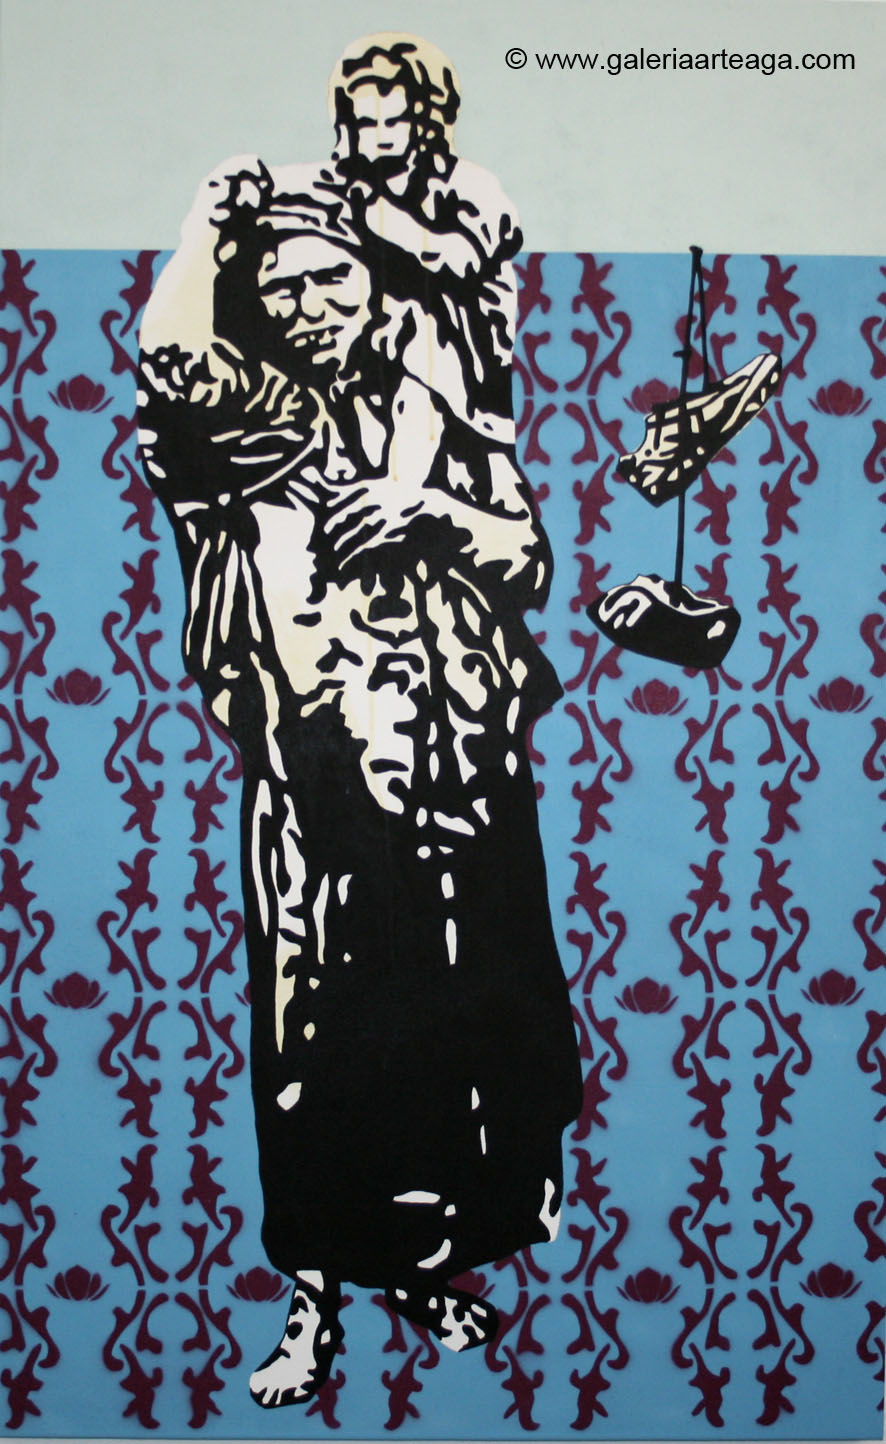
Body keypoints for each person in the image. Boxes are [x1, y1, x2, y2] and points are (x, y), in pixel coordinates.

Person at [137, 44, 581, 1412]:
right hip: (325, 789)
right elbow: (171, 354)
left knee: (461, 1019)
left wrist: (432, 514)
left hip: (461, 766)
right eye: (281, 289)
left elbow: (527, 559)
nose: (311, 303)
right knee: (322, 1036)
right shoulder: (257, 425)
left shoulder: (428, 410)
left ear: (371, 284)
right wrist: (209, 224)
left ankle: (433, 1264)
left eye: (331, 279)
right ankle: (318, 1295)